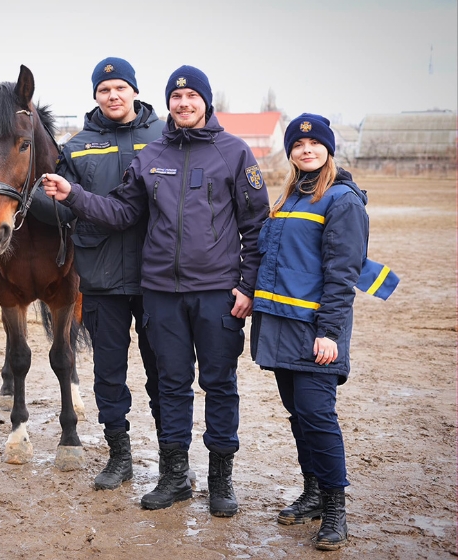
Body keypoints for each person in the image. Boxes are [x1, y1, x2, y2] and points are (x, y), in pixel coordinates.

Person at [43, 65, 270, 514]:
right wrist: (73, 194)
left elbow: (257, 224)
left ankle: (221, 480)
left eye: (191, 97)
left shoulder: (234, 152)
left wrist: (247, 285)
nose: (184, 104)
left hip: (217, 293)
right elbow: (123, 212)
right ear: (167, 103)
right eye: (177, 97)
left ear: (205, 102)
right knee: (172, 385)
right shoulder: (151, 156)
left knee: (220, 385)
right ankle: (174, 478)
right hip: (161, 293)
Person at [250, 113, 399, 550]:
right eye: (298, 145)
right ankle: (312, 493)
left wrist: (330, 332)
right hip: (278, 327)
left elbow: (341, 273)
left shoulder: (342, 201)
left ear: (329, 150)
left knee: (318, 416)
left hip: (316, 331)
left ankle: (336, 509)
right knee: (299, 416)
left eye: (315, 144)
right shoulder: (288, 199)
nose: (306, 150)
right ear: (292, 152)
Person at [35, 57, 165, 490]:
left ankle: (172, 459)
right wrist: (22, 196)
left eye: (120, 88)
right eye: (104, 89)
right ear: (95, 96)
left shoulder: (164, 137)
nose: (113, 96)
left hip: (158, 278)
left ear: (134, 91)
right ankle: (118, 456)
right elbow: (55, 204)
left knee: (164, 373)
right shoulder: (76, 147)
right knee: (108, 374)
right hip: (102, 279)